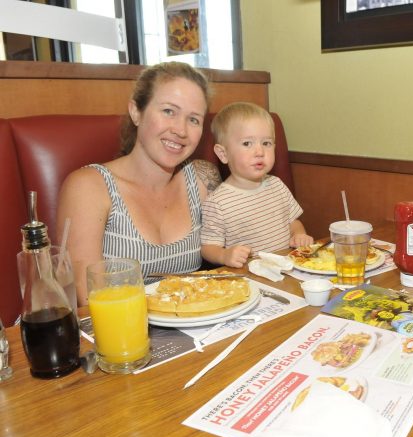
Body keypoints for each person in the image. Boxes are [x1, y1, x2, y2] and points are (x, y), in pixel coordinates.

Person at [57, 62, 221, 306]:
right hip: (115, 332)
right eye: (168, 111)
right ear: (136, 111)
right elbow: (86, 299)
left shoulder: (202, 178)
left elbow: (238, 250)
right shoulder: (89, 186)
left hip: (194, 326)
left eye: (194, 120)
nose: (180, 130)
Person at [201, 102, 312, 268]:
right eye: (247, 143)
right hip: (249, 279)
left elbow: (293, 222)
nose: (260, 152)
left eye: (266, 143)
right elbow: (208, 248)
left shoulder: (277, 185)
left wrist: (299, 234)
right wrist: (224, 255)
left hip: (286, 269)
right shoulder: (218, 202)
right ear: (223, 154)